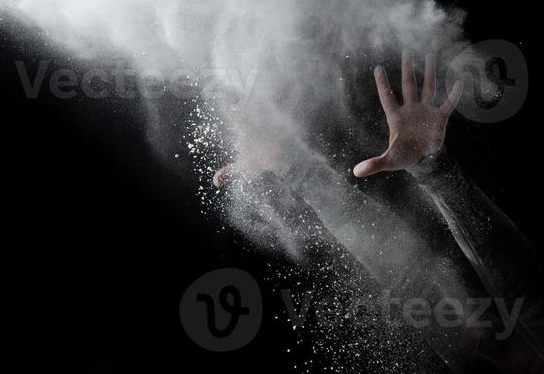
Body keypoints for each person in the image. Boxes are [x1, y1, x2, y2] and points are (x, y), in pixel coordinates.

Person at [215, 52, 544, 372]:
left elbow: (411, 279)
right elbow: (520, 285)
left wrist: (293, 168)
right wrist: (434, 168)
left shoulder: (480, 360)